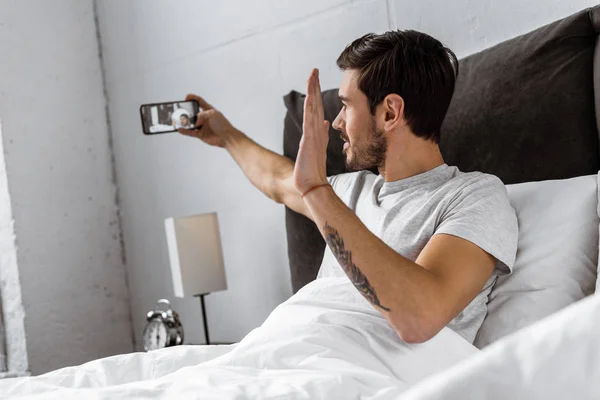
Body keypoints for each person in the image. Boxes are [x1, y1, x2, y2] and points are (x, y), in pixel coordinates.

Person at [179, 30, 518, 344]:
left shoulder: (474, 197)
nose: (338, 122)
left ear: (390, 113)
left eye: (345, 105)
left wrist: (317, 192)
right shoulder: (349, 193)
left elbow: (422, 315)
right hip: (295, 355)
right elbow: (277, 181)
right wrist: (225, 135)